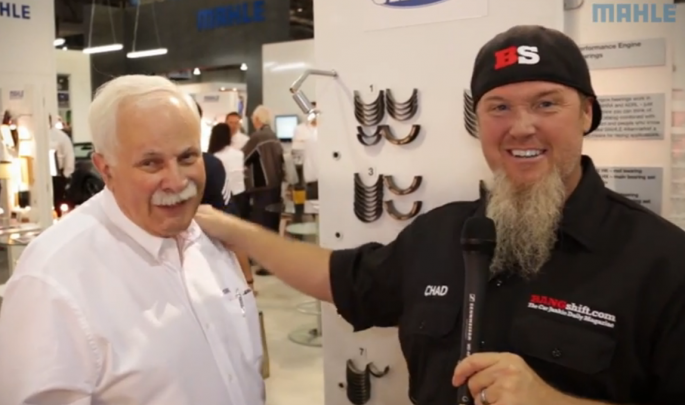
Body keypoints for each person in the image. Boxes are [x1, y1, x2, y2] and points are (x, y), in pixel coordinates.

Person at [194, 25, 685, 405]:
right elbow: (337, 277)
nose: (521, 127)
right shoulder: (443, 233)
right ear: (478, 122)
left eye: (546, 104)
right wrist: (229, 228)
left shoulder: (662, 262)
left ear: (587, 114)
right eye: (499, 107)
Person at [0, 75, 264, 405]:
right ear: (105, 169)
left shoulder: (208, 235)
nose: (177, 181)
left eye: (187, 157)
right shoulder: (51, 282)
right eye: (151, 163)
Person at [242, 105, 284, 276]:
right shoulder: (273, 136)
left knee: (262, 224)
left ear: (257, 119)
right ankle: (273, 262)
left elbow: (244, 157)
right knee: (272, 223)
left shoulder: (257, 137)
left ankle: (267, 263)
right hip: (275, 184)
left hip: (262, 186)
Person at [48, 115, 76, 217]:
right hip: (42, 176)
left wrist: (66, 174)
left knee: (58, 201)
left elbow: (69, 155)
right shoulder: (37, 135)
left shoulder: (61, 136)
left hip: (57, 176)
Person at [292, 102, 318, 198]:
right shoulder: (300, 129)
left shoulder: (325, 129)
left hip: (324, 177)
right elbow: (295, 152)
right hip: (308, 177)